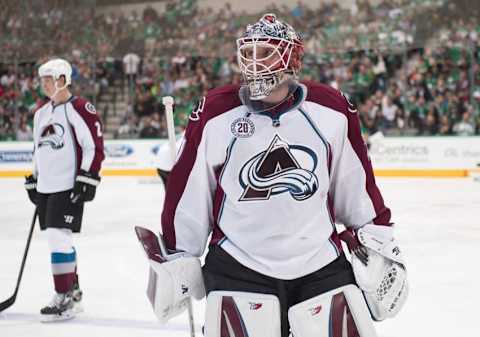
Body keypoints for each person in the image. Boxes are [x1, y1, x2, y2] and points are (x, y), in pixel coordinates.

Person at [149, 14, 408, 337]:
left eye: (267, 53)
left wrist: (376, 237)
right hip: (238, 264)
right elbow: (190, 188)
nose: (255, 63)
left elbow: (355, 183)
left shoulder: (332, 110)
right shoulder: (215, 114)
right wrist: (179, 251)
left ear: (292, 58)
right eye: (250, 53)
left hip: (318, 262)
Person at [24, 58, 104, 322]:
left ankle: (64, 296)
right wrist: (34, 178)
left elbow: (93, 145)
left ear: (62, 79)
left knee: (58, 237)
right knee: (60, 237)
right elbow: (39, 150)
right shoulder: (40, 114)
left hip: (67, 185)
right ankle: (74, 290)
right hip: (47, 187)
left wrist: (88, 176)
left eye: (48, 79)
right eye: (42, 80)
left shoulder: (79, 108)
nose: (43, 85)